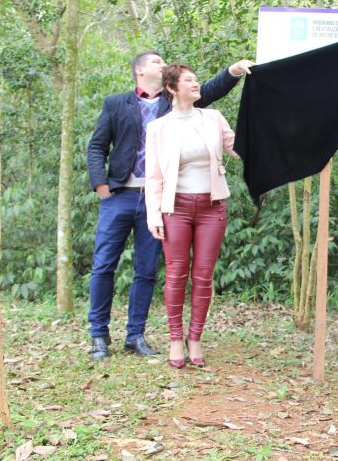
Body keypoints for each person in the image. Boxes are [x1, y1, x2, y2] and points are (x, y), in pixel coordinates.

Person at [86, 52, 253, 361]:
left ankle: (135, 335)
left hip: (165, 199)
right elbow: (97, 145)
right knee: (104, 265)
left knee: (147, 270)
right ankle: (98, 333)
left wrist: (234, 70)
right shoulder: (116, 103)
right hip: (122, 195)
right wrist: (101, 185)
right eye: (156, 61)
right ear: (139, 69)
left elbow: (210, 89)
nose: (162, 64)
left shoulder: (173, 103)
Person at [144, 63, 239, 369]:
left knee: (203, 275)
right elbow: (153, 176)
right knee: (176, 274)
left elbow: (239, 147)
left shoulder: (213, 118)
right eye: (189, 80)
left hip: (212, 207)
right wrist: (154, 216)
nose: (196, 84)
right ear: (172, 88)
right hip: (176, 208)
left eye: (196, 79)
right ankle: (175, 339)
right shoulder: (158, 128)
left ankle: (195, 337)